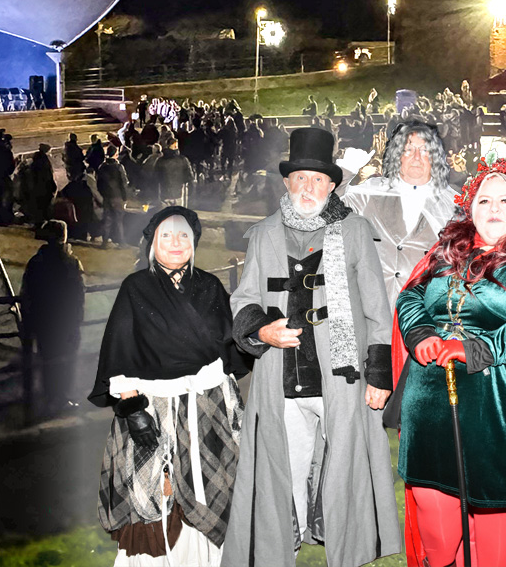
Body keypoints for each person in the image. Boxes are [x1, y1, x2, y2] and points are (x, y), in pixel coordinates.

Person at [221, 127, 401, 567]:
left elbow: (377, 310)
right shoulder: (264, 233)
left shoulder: (354, 230)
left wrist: (379, 375)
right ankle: (285, 547)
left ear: (332, 185)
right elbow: (244, 299)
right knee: (285, 470)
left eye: (317, 179)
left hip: (342, 378)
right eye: (300, 178)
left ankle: (347, 551)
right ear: (287, 182)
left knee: (344, 469)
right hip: (281, 380)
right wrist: (262, 331)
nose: (307, 187)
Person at [394, 156, 506, 567]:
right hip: (429, 402)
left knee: (496, 512)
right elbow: (410, 295)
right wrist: (420, 332)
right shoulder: (447, 252)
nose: (494, 208)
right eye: (484, 200)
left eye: (505, 200)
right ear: (470, 208)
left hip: (500, 406)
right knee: (436, 525)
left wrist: (476, 349)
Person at [89, 207, 248, 566]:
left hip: (207, 408)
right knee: (158, 491)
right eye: (166, 236)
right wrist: (133, 410)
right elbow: (119, 351)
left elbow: (229, 348)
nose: (175, 243)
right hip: (152, 407)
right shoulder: (136, 288)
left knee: (211, 485)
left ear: (194, 242)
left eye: (183, 236)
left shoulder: (209, 286)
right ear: (152, 243)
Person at [336, 119, 462, 309]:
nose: (417, 157)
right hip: (376, 311)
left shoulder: (453, 204)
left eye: (425, 150)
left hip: (423, 315)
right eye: (409, 149)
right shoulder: (370, 193)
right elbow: (326, 211)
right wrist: (345, 171)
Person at [19, 219, 85, 416]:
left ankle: (49, 398)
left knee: (47, 359)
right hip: (65, 320)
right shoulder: (71, 262)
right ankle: (61, 398)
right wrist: (78, 317)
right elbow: (78, 294)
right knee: (65, 360)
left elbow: (27, 292)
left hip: (43, 319)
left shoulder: (36, 261)